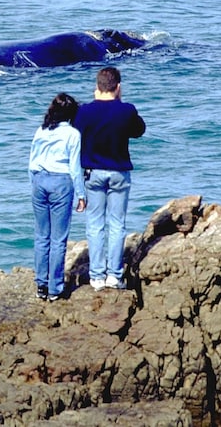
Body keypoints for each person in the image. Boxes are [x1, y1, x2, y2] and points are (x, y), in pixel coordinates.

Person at [73, 66, 145, 291]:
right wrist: (120, 102)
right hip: (119, 173)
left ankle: (96, 276)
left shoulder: (84, 111)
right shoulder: (127, 110)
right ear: (118, 87)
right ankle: (114, 275)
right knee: (117, 224)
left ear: (97, 87)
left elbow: (75, 135)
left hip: (93, 172)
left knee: (95, 224)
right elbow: (139, 131)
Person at [29, 93, 87, 301]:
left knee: (41, 236)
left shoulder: (41, 130)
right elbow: (74, 168)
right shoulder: (72, 134)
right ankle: (55, 288)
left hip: (39, 180)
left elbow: (32, 162)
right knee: (58, 239)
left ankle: (41, 285)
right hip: (61, 182)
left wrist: (34, 183)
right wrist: (81, 194)